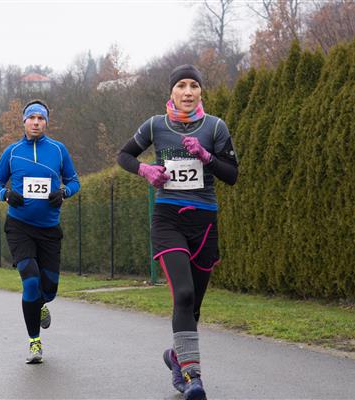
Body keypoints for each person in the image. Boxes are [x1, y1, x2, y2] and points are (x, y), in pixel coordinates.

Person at [117, 65, 238, 400]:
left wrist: (207, 157)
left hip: (205, 222)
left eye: (193, 85)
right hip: (168, 219)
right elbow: (124, 155)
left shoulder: (215, 126)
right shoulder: (155, 125)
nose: (187, 92)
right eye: (181, 85)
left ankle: (176, 356)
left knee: (193, 306)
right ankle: (192, 376)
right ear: (171, 91)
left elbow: (232, 175)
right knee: (182, 294)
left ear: (200, 91)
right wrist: (145, 169)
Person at [0, 99, 80, 364]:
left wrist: (64, 192)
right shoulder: (12, 152)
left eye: (41, 118)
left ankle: (41, 304)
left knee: (48, 289)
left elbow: (74, 181)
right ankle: (34, 342)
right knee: (30, 281)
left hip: (49, 230)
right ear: (24, 121)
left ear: (46, 122)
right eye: (32, 118)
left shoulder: (58, 150)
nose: (36, 123)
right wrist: (6, 195)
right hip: (19, 227)